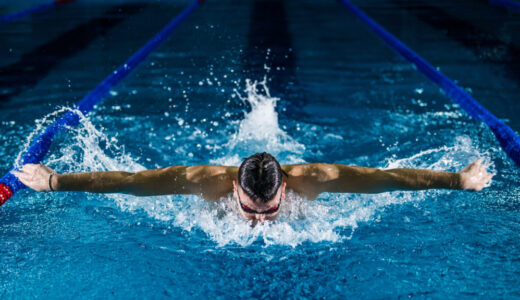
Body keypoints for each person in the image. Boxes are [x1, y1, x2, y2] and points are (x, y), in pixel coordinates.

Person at [12, 152, 493, 225]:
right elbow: (132, 184)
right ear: (234, 189)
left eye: (268, 210)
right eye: (249, 209)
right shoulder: (204, 183)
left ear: (286, 185)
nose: (258, 221)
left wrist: (458, 180)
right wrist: (55, 181)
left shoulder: (316, 179)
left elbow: (388, 180)